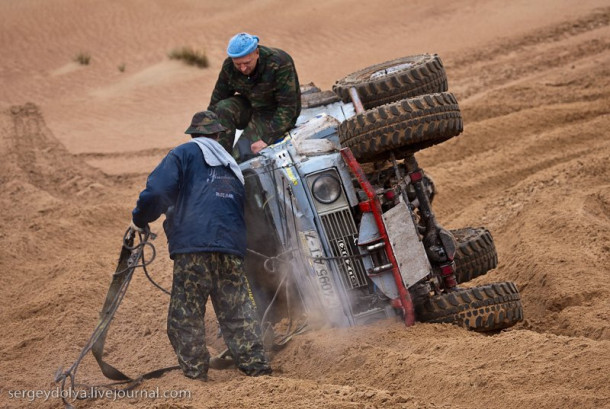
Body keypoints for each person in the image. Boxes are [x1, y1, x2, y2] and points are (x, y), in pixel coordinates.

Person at [130, 111, 271, 380]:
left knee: (186, 316)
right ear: (218, 135)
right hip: (230, 249)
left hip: (193, 248)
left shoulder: (183, 154)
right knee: (238, 314)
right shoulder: (231, 166)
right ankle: (258, 372)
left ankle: (196, 376)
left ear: (193, 134)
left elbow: (158, 192)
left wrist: (140, 218)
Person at [208, 32, 301, 161]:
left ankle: (232, 163)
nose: (243, 68)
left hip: (273, 113)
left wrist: (266, 139)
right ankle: (219, 157)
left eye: (247, 63)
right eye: (238, 64)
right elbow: (217, 100)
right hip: (250, 106)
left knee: (241, 154)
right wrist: (206, 135)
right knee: (223, 108)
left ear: (256, 53)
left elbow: (288, 107)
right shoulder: (229, 66)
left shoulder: (279, 62)